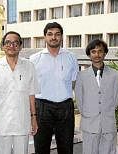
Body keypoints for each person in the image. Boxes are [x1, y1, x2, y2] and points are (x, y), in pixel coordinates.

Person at [0, 31, 38, 154]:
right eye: (8, 42)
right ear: (3, 46)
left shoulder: (29, 66)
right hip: (1, 122)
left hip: (22, 121)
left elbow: (31, 94)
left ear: (20, 46)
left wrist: (33, 118)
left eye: (15, 43)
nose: (11, 45)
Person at [29, 22, 79, 154]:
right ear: (44, 37)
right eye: (50, 34)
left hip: (65, 108)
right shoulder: (34, 59)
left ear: (62, 37)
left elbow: (74, 82)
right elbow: (30, 89)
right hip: (42, 108)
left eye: (57, 34)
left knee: (67, 148)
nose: (53, 37)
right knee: (41, 148)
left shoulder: (71, 57)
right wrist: (33, 114)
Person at [75, 39, 118, 154]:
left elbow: (115, 99)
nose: (97, 54)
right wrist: (89, 115)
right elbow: (80, 100)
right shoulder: (81, 75)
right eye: (93, 51)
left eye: (100, 51)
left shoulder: (115, 74)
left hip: (108, 123)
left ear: (105, 53)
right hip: (89, 124)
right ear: (89, 54)